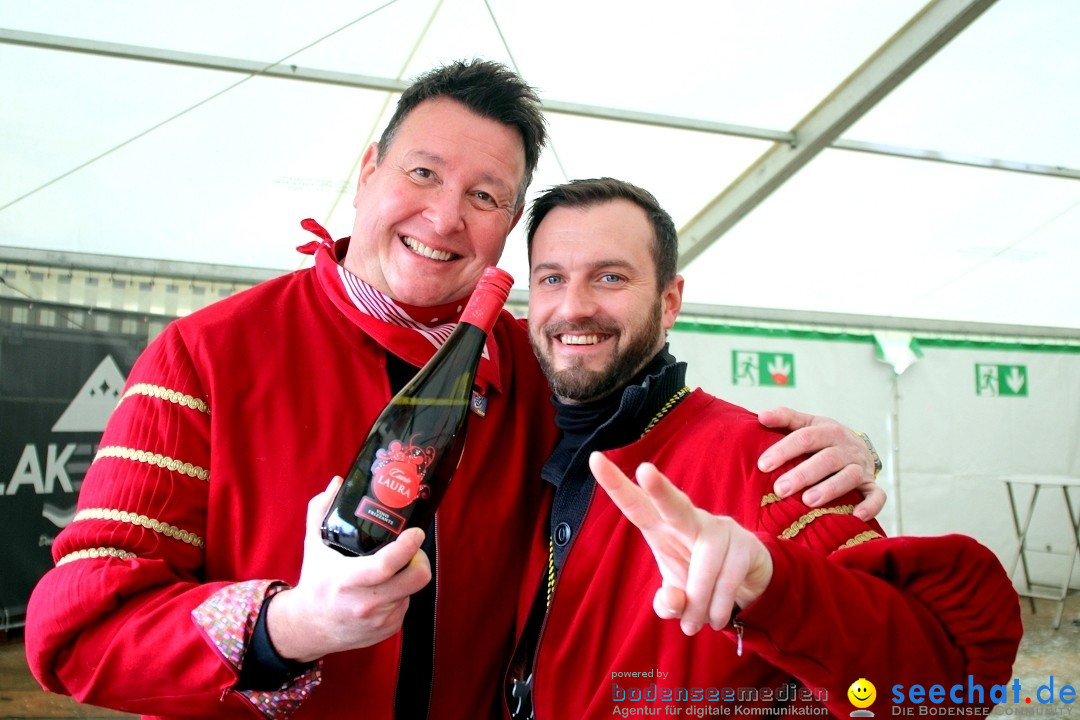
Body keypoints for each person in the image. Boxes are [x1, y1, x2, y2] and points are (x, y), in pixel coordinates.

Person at [25, 61, 880, 720]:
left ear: (509, 227)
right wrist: (291, 628)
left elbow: (665, 435)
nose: (444, 218)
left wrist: (830, 460)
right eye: (423, 175)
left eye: (484, 196)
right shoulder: (206, 355)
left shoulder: (540, 364)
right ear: (368, 171)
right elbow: (74, 630)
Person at [506, 177, 1022, 719]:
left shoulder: (774, 465)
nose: (573, 306)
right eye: (552, 278)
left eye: (610, 277)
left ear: (669, 302)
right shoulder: (510, 418)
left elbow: (946, 687)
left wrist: (777, 587)